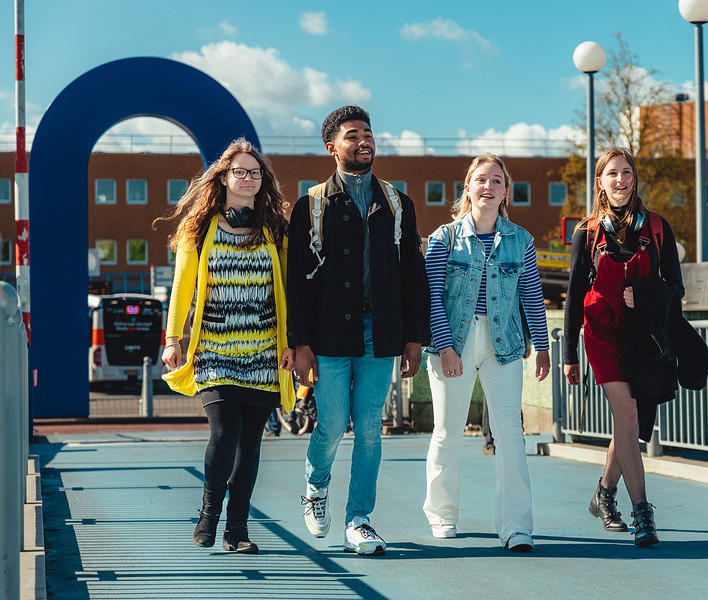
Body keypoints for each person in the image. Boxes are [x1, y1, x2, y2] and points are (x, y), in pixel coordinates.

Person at [286, 105, 430, 556]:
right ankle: (316, 486)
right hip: (328, 334)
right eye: (353, 135)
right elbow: (296, 282)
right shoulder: (310, 205)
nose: (364, 140)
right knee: (331, 424)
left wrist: (414, 337)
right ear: (332, 147)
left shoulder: (397, 204)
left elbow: (413, 275)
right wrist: (299, 343)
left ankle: (359, 520)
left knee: (369, 429)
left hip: (379, 333)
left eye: (368, 133)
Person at [158, 138, 295, 554]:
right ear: (223, 177)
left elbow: (290, 290)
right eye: (240, 171)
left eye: (255, 172)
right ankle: (209, 513)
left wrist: (293, 343)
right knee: (224, 432)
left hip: (264, 352)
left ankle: (238, 529)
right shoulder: (199, 228)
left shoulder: (275, 228)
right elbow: (182, 287)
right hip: (214, 350)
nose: (248, 178)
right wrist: (172, 339)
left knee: (250, 443)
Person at [423, 154, 550, 552]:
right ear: (468, 188)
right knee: (448, 430)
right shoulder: (444, 237)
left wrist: (543, 345)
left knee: (510, 433)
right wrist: (446, 346)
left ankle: (516, 526)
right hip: (454, 341)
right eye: (481, 179)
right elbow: (431, 296)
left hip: (503, 345)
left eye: (497, 180)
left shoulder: (521, 240)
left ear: (505, 192)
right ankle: (442, 514)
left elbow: (531, 295)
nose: (488, 186)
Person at [562, 147, 685, 547]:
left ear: (635, 178)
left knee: (630, 424)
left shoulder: (658, 227)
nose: (620, 179)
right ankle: (643, 513)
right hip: (602, 334)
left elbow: (676, 287)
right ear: (600, 181)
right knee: (628, 413)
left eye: (626, 172)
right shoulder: (586, 232)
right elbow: (574, 294)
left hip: (643, 338)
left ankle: (604, 493)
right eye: (612, 173)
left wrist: (645, 295)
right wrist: (568, 354)